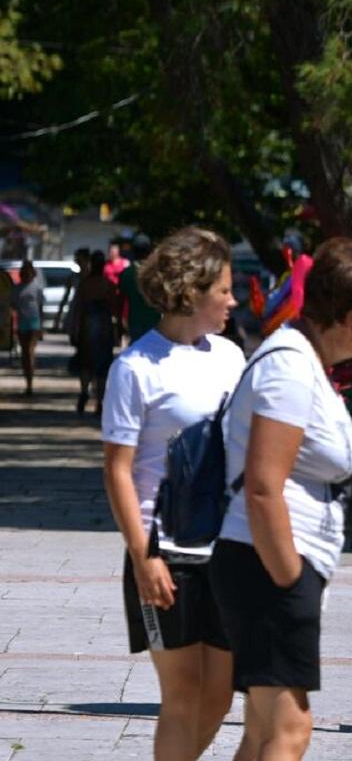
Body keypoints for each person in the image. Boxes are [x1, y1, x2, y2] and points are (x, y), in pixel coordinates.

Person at [210, 238, 352, 761]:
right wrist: (291, 576)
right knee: (290, 730)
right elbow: (263, 485)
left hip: (267, 561)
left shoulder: (302, 362)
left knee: (262, 732)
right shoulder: (290, 367)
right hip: (266, 563)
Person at [100, 227, 244, 760]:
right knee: (183, 694)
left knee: (220, 694)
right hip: (166, 551)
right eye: (224, 289)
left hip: (226, 548)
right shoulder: (135, 368)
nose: (233, 300)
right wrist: (144, 557)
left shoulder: (231, 356)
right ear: (192, 290)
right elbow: (117, 470)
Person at [74, 250, 117, 414]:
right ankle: (99, 400)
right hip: (103, 326)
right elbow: (114, 308)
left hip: (87, 325)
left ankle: (84, 391)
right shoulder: (108, 284)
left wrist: (76, 329)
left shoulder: (85, 284)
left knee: (86, 363)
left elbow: (79, 307)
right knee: (102, 366)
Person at [119, 234, 162, 342]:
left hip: (135, 322)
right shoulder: (157, 272)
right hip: (155, 322)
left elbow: (121, 299)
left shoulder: (127, 273)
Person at [13, 260, 45, 395]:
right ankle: (27, 379)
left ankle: (30, 382)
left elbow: (40, 306)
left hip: (34, 322)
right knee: (24, 352)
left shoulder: (37, 287)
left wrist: (41, 326)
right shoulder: (17, 288)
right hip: (22, 322)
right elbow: (13, 307)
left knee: (29, 351)